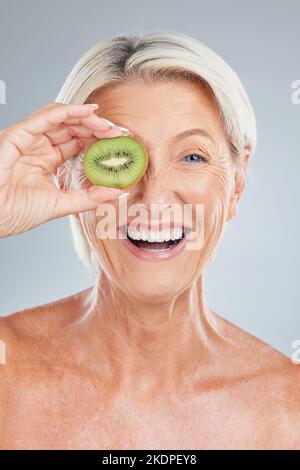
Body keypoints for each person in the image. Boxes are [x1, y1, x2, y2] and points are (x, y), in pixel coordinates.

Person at [0, 31, 299, 450]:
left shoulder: (288, 407)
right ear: (67, 175)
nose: (154, 198)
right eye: (121, 155)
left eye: (192, 157)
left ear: (236, 184)